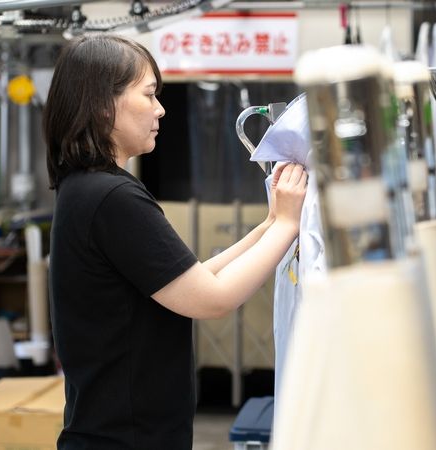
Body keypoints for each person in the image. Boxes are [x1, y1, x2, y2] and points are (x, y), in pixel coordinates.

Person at [43, 34, 307, 450]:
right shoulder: (112, 198)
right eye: (149, 95)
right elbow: (212, 299)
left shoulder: (87, 188)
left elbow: (193, 279)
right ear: (103, 104)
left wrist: (270, 224)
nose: (160, 109)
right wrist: (288, 225)